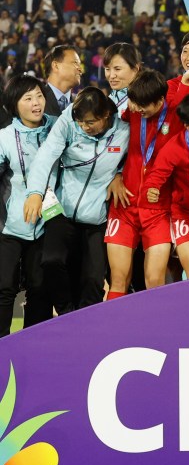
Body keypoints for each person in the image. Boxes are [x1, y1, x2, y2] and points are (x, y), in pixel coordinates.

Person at [25, 88, 130, 313]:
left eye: (90, 122)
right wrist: (35, 192)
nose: (84, 127)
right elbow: (46, 156)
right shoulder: (68, 121)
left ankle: (86, 327)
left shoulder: (123, 130)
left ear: (105, 116)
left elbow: (137, 157)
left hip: (98, 218)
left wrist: (120, 173)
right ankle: (66, 314)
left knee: (93, 280)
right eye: (80, 121)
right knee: (51, 261)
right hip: (62, 210)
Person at [105, 70, 182, 297]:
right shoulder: (133, 110)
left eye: (142, 106)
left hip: (158, 210)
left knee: (154, 280)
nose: (136, 109)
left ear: (160, 101)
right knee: (118, 279)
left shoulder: (177, 116)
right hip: (125, 204)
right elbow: (117, 148)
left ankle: (153, 331)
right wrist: (117, 174)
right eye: (134, 103)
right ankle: (114, 330)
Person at [142, 93, 189, 280]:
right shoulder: (174, 148)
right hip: (187, 216)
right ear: (187, 126)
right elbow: (155, 177)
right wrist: (152, 189)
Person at [0, 76, 55, 333]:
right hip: (11, 227)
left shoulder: (58, 129)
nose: (36, 103)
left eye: (39, 96)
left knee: (40, 289)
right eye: (28, 98)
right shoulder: (5, 137)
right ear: (14, 104)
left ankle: (34, 348)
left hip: (48, 225)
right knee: (4, 288)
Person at [42, 45, 82, 117]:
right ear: (55, 66)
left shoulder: (81, 104)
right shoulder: (37, 100)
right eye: (75, 63)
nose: (80, 69)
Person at [103, 43, 141, 117]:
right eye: (107, 69)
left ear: (135, 69)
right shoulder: (111, 97)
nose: (111, 75)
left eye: (117, 69)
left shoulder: (144, 100)